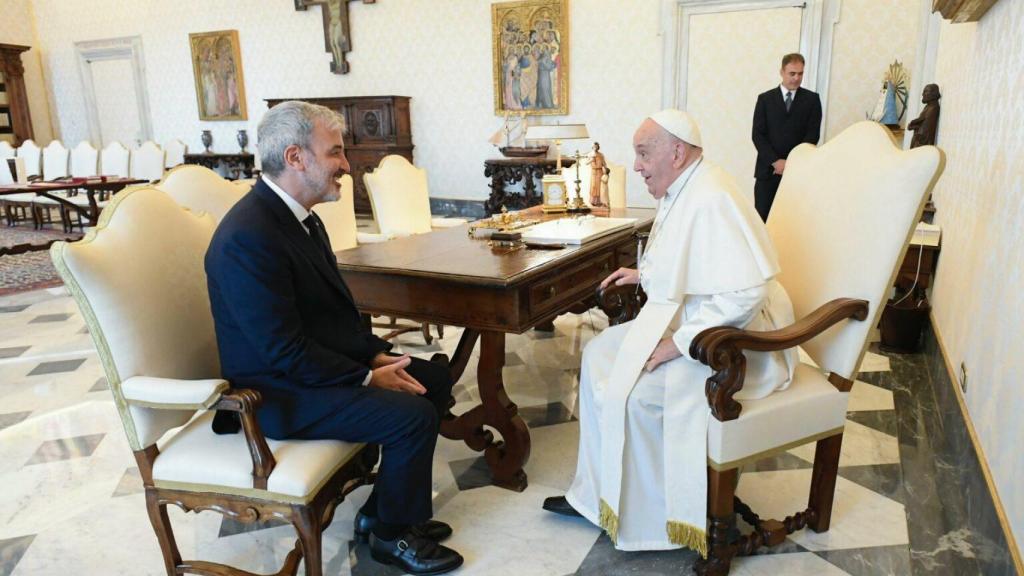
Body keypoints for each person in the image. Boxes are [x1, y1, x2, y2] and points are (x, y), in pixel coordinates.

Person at [205, 101, 463, 575]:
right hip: (275, 393)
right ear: (295, 157)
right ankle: (392, 537)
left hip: (309, 370)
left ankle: (380, 512)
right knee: (412, 416)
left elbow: (332, 320)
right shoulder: (249, 235)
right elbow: (283, 352)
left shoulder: (300, 217)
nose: (346, 164)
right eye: (335, 152)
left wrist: (379, 354)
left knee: (433, 379)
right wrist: (366, 377)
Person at [542, 110, 797, 556]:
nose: (636, 165)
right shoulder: (686, 185)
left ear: (677, 152)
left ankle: (657, 516)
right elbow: (692, 259)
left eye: (643, 153)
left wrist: (677, 346)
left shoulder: (711, 194)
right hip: (699, 321)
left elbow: (746, 293)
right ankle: (596, 495)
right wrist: (644, 274)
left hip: (735, 344)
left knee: (637, 393)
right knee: (599, 354)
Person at [752, 53, 822, 222]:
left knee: (793, 225)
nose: (796, 78)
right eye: (792, 73)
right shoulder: (765, 100)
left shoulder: (812, 100)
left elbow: (812, 136)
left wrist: (791, 163)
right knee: (763, 222)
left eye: (800, 73)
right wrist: (776, 161)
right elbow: (757, 135)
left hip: (797, 174)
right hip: (767, 173)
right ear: (782, 72)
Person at [908, 83, 941, 148]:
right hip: (918, 142)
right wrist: (914, 125)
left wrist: (914, 124)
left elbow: (926, 133)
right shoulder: (927, 107)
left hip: (922, 146)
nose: (922, 94)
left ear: (933, 94)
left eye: (925, 91)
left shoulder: (933, 108)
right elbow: (922, 123)